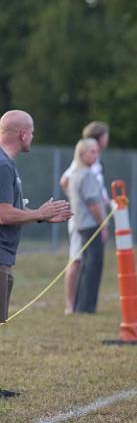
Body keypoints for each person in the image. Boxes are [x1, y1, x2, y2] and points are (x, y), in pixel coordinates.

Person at [0, 110, 72, 397]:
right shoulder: (3, 165)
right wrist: (39, 213)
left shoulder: (7, 164)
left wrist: (40, 217)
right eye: (32, 131)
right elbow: (3, 215)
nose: (33, 136)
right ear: (22, 133)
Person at [60, 121, 110, 315]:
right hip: (84, 221)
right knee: (77, 260)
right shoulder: (81, 165)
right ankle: (72, 305)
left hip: (88, 219)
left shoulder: (93, 164)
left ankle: (78, 304)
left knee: (83, 261)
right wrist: (77, 202)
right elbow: (65, 181)